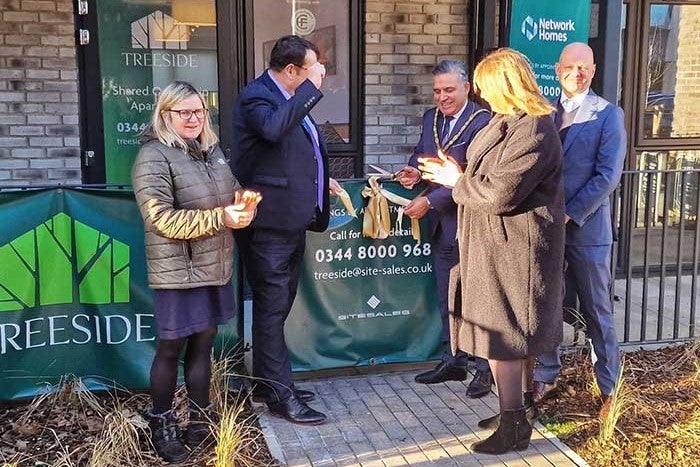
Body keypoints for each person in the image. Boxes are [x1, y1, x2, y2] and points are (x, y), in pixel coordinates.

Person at [419, 48, 565, 455]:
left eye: (484, 86)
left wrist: (455, 179)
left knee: (508, 340)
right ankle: (515, 412)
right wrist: (453, 172)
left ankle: (514, 424)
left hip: (517, 249)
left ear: (505, 85)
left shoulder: (535, 128)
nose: (480, 93)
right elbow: (483, 177)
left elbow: (501, 193)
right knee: (512, 338)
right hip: (494, 244)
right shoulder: (506, 121)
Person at [132, 81, 260, 463]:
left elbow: (232, 191)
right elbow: (160, 219)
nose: (192, 118)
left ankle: (200, 420)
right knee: (172, 348)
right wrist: (222, 217)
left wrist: (244, 203)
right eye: (183, 112)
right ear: (165, 114)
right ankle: (162, 423)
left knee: (204, 344)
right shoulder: (153, 156)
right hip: (178, 271)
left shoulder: (212, 151)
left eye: (199, 111)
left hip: (214, 266)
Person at [233, 35, 342, 425]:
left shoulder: (290, 98)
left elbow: (297, 151)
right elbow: (274, 131)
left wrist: (319, 180)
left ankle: (267, 382)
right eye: (314, 67)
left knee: (276, 308)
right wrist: (311, 89)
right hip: (268, 224)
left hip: (291, 220)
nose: (321, 73)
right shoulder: (257, 96)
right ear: (293, 70)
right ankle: (281, 395)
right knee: (271, 307)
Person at [533, 42, 626, 415]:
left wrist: (570, 213)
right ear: (558, 69)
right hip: (545, 229)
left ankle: (609, 388)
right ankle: (547, 373)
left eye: (584, 67)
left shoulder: (608, 115)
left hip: (587, 231)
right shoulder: (542, 113)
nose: (577, 73)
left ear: (593, 69)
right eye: (570, 67)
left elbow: (608, 176)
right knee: (547, 304)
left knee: (597, 310)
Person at [395, 60, 493, 397]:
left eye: (449, 90)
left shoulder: (484, 122)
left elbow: (476, 180)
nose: (442, 97)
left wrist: (431, 202)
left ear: (467, 88)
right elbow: (422, 156)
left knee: (477, 300)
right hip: (442, 227)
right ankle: (453, 360)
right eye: (437, 91)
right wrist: (413, 174)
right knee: (446, 297)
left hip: (472, 225)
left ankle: (484, 369)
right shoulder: (430, 118)